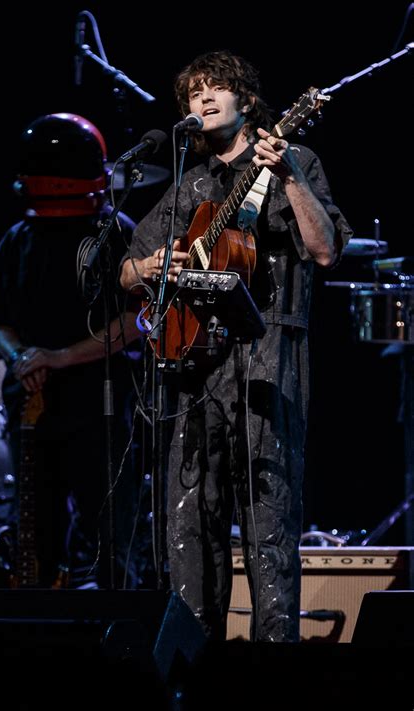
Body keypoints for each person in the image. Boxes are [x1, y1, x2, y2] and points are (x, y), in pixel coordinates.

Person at [120, 51, 353, 641]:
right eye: (193, 93)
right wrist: (150, 264)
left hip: (270, 349)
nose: (202, 100)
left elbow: (325, 250)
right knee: (189, 513)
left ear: (246, 101)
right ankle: (192, 661)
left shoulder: (294, 158)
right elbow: (125, 272)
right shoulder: (189, 183)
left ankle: (275, 660)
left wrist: (291, 176)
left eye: (215, 88)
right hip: (197, 364)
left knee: (268, 511)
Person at [0, 112, 142, 588]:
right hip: (31, 404)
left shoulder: (116, 230)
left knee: (110, 536)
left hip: (100, 406)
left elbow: (136, 321)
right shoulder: (18, 238)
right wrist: (21, 358)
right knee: (37, 534)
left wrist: (57, 358)